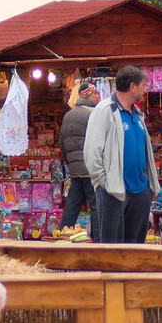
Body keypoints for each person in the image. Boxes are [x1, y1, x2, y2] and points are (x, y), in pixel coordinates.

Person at [83, 66, 159, 244]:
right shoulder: (105, 111)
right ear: (132, 86)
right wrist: (103, 181)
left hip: (140, 191)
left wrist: (149, 187)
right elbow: (91, 150)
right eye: (143, 85)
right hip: (114, 191)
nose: (145, 90)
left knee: (135, 248)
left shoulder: (137, 114)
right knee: (113, 249)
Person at [59, 81, 98, 229]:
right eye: (94, 93)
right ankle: (99, 242)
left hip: (75, 170)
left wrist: (71, 165)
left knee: (72, 205)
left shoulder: (68, 116)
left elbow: (62, 143)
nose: (97, 96)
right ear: (87, 95)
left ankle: (63, 233)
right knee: (96, 206)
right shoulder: (92, 114)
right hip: (90, 169)